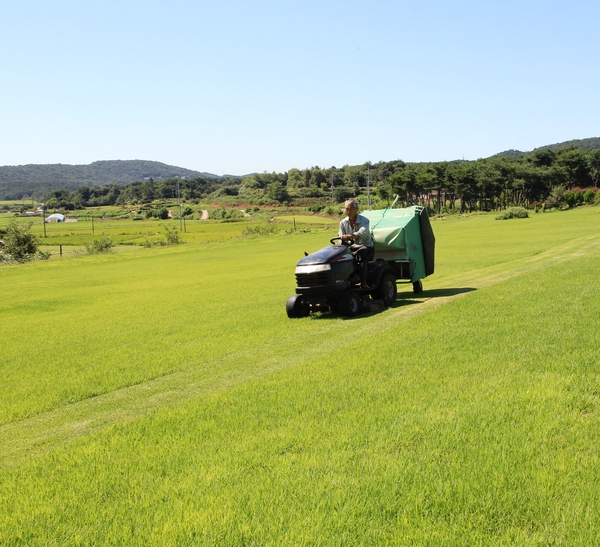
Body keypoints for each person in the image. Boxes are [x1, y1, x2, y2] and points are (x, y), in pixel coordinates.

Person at [339, 199, 374, 288]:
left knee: (362, 252)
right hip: (350, 247)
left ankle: (363, 282)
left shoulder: (364, 220)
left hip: (365, 246)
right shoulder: (343, 222)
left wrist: (350, 235)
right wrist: (342, 237)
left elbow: (363, 233)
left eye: (349, 209)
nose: (347, 211)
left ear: (356, 209)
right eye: (346, 209)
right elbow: (340, 235)